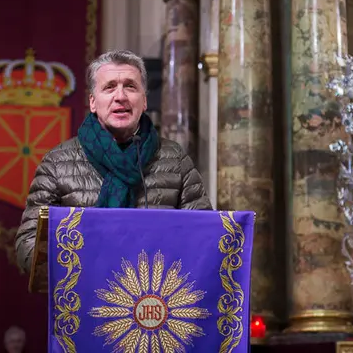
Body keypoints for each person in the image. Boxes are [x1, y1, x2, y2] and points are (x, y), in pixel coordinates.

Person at [15, 49, 212, 272]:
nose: (120, 96)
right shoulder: (57, 162)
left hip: (155, 297)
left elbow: (204, 234)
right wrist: (85, 261)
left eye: (130, 86)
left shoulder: (175, 159)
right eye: (109, 87)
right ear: (92, 102)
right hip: (84, 297)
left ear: (144, 101)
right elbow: (27, 247)